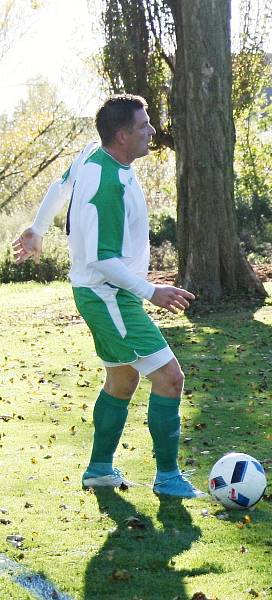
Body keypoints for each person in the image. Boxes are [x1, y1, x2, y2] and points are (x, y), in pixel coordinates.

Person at [12, 94, 206, 497]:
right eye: (143, 126)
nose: (151, 131)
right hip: (109, 295)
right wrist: (152, 291)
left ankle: (100, 470)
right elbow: (103, 260)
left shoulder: (92, 155)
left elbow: (59, 183)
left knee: (122, 380)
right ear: (121, 136)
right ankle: (168, 478)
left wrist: (38, 227)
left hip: (104, 294)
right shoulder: (108, 189)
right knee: (170, 378)